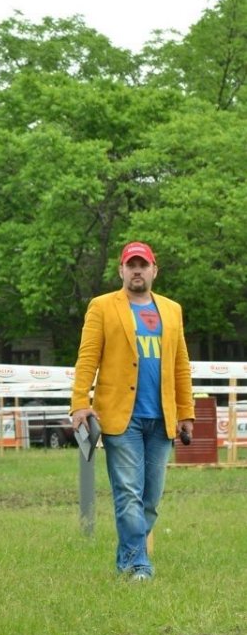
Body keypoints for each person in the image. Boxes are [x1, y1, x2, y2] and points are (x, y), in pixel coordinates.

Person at [70, 241, 195, 581]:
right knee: (128, 492)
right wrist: (80, 402)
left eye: (143, 265)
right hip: (120, 417)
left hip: (163, 418)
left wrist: (186, 411)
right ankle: (140, 562)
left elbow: (181, 365)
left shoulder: (172, 310)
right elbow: (87, 358)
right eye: (131, 265)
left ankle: (127, 558)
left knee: (151, 497)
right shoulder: (102, 307)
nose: (137, 270)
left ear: (154, 270)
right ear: (121, 271)